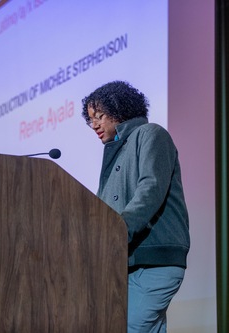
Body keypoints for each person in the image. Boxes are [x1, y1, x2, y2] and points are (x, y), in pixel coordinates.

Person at [81, 81, 190, 332]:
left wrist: (118, 230)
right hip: (125, 263)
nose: (94, 124)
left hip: (155, 260)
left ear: (119, 109)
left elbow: (150, 189)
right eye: (90, 120)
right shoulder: (115, 153)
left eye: (100, 116)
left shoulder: (151, 134)